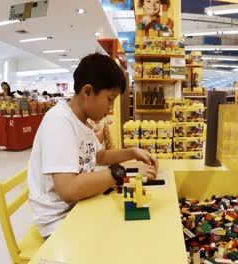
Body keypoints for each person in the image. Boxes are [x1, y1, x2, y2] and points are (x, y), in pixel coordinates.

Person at [27, 53, 158, 240]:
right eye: (110, 99)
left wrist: (132, 152)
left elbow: (99, 156)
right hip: (60, 221)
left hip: (80, 206)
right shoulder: (59, 122)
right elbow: (68, 190)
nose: (111, 108)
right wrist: (123, 172)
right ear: (87, 92)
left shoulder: (82, 121)